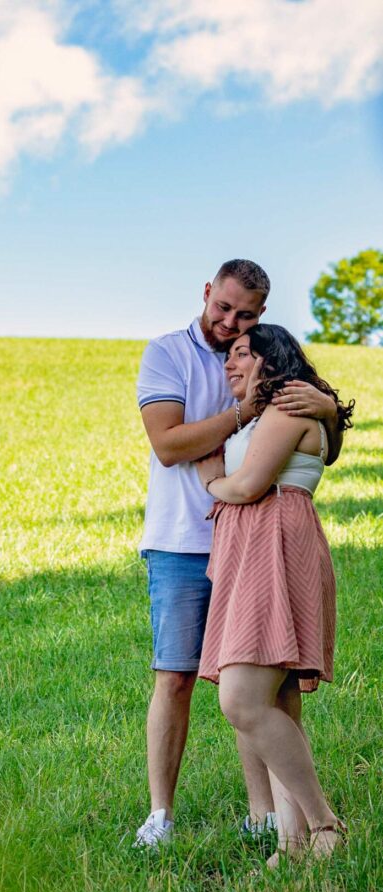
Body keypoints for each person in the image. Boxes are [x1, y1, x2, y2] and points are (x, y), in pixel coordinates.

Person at [133, 260, 341, 849]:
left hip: (253, 540)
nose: (230, 325)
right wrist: (242, 414)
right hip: (184, 538)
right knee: (177, 676)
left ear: (261, 317)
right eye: (223, 308)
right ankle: (161, 815)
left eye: (244, 316)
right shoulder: (168, 354)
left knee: (258, 685)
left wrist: (325, 410)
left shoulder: (268, 366)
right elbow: (169, 445)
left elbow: (303, 451)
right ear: (206, 293)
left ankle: (273, 820)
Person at [195, 324, 354, 863]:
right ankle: (292, 843)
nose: (230, 365)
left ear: (272, 359)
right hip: (254, 549)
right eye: (228, 356)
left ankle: (325, 825)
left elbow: (247, 486)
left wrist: (212, 480)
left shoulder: (288, 409)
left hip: (274, 545)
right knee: (274, 700)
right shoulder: (277, 414)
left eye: (243, 354)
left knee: (240, 699)